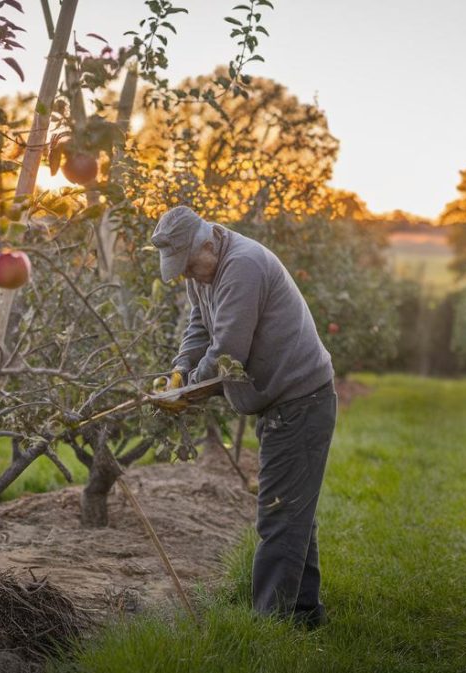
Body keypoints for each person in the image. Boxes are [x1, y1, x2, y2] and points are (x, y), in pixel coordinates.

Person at [150, 205, 337, 629]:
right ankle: (304, 616)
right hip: (281, 400)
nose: (189, 276)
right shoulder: (204, 272)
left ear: (209, 242)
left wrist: (187, 392)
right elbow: (199, 325)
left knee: (279, 512)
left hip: (301, 400)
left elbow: (227, 352)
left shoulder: (242, 266)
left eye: (190, 266)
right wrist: (181, 369)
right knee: (293, 512)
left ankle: (269, 623)